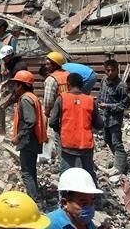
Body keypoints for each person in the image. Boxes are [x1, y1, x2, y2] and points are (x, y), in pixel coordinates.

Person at [49, 73, 103, 191]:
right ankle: (92, 200)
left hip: (68, 144)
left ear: (68, 85)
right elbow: (99, 124)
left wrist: (61, 130)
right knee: (88, 173)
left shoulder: (61, 98)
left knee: (66, 174)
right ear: (82, 85)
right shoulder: (90, 100)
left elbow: (52, 122)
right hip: (86, 145)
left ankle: (64, 201)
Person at [10, 71, 47, 199]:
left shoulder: (25, 99)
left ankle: (34, 199)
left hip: (28, 141)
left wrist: (18, 137)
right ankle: (35, 195)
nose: (14, 88)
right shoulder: (32, 97)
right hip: (34, 139)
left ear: (22, 85)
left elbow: (30, 121)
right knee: (31, 170)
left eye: (16, 85)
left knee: (26, 172)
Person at [97, 60, 129, 176]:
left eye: (113, 70)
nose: (110, 73)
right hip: (104, 118)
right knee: (108, 140)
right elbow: (100, 95)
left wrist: (108, 106)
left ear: (117, 70)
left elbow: (125, 105)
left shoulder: (121, 85)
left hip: (114, 119)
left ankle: (120, 169)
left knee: (117, 142)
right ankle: (119, 163)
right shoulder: (103, 81)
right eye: (108, 70)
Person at [41, 51, 69, 159]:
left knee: (58, 139)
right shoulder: (68, 75)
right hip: (70, 112)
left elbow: (48, 102)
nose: (46, 67)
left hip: (58, 114)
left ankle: (62, 163)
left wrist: (47, 114)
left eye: (48, 64)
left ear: (55, 64)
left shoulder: (51, 79)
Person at [0, 46, 26, 134]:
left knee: (3, 107)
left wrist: (9, 95)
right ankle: (2, 129)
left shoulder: (19, 66)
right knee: (0, 107)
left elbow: (18, 82)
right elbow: (12, 78)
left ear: (9, 56)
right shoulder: (11, 63)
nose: (3, 60)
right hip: (14, 88)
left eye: (4, 58)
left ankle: (20, 132)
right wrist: (5, 83)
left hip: (22, 91)